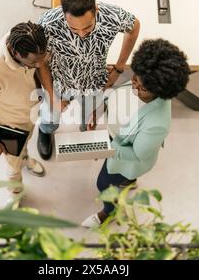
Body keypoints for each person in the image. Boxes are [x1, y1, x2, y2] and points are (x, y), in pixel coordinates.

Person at [81, 39, 191, 228]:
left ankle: (109, 211)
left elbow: (137, 154)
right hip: (117, 140)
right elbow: (117, 98)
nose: (133, 86)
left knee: (104, 185)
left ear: (160, 91)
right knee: (123, 180)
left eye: (141, 88)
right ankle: (128, 182)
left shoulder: (157, 124)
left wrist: (106, 148)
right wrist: (100, 110)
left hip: (125, 157)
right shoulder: (142, 84)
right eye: (134, 79)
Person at [36, 0, 141, 160]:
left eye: (87, 27)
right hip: (60, 81)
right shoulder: (46, 24)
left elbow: (134, 26)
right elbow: (41, 63)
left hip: (96, 81)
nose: (82, 34)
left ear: (96, 10)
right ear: (63, 14)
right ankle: (45, 132)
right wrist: (53, 97)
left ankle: (86, 133)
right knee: (50, 115)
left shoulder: (111, 16)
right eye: (74, 29)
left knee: (91, 117)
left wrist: (119, 67)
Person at [0, 21, 49, 206]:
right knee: (12, 167)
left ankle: (25, 159)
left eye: (42, 57)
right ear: (15, 53)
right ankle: (15, 193)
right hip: (10, 124)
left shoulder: (27, 39)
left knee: (25, 145)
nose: (40, 64)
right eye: (33, 62)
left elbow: (39, 64)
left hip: (30, 114)